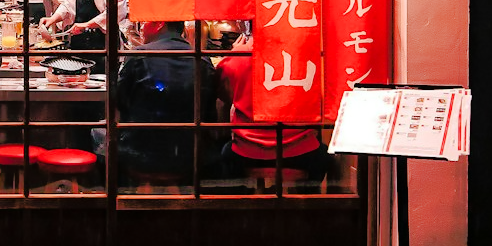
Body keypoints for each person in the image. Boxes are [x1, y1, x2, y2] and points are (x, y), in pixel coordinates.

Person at [212, 23, 330, 185]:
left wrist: (233, 54)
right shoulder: (302, 51)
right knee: (323, 155)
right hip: (300, 151)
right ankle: (307, 205)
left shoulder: (239, 57)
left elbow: (223, 94)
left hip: (248, 151)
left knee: (225, 154)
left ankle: (241, 205)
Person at [110, 20, 212, 188]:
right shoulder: (202, 59)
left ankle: (114, 201)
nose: (141, 28)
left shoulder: (138, 55)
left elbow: (119, 100)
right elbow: (208, 110)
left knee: (97, 134)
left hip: (141, 153)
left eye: (143, 23)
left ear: (159, 24)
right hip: (190, 154)